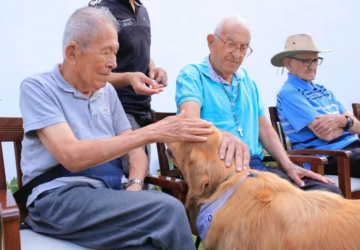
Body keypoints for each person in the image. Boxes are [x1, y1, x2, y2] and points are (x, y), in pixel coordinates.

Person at [19, 7, 213, 250]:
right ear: (72, 52)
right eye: (105, 52)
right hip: (59, 201)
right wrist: (152, 132)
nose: (114, 63)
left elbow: (136, 154)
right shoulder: (38, 88)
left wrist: (134, 186)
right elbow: (72, 156)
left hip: (108, 195)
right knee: (169, 209)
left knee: (150, 243)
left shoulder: (106, 92)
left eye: (115, 52)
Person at [175, 15, 341, 194]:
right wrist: (221, 135)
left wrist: (289, 166)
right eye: (230, 44)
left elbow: (265, 130)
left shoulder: (246, 81)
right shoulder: (192, 75)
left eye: (244, 48)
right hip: (220, 168)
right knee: (285, 202)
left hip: (255, 167)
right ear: (211, 42)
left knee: (325, 191)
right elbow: (189, 122)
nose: (237, 54)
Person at [89, 0, 168, 174]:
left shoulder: (142, 9)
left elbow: (138, 51)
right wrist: (129, 79)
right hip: (117, 114)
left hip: (144, 112)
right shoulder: (100, 11)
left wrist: (153, 68)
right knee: (128, 184)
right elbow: (90, 75)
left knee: (142, 182)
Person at [274, 33, 360, 178]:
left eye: (315, 60)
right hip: (331, 157)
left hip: (352, 150)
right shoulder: (289, 94)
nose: (312, 66)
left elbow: (357, 125)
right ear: (288, 63)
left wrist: (342, 121)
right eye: (306, 61)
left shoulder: (322, 89)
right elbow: (327, 134)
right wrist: (346, 122)